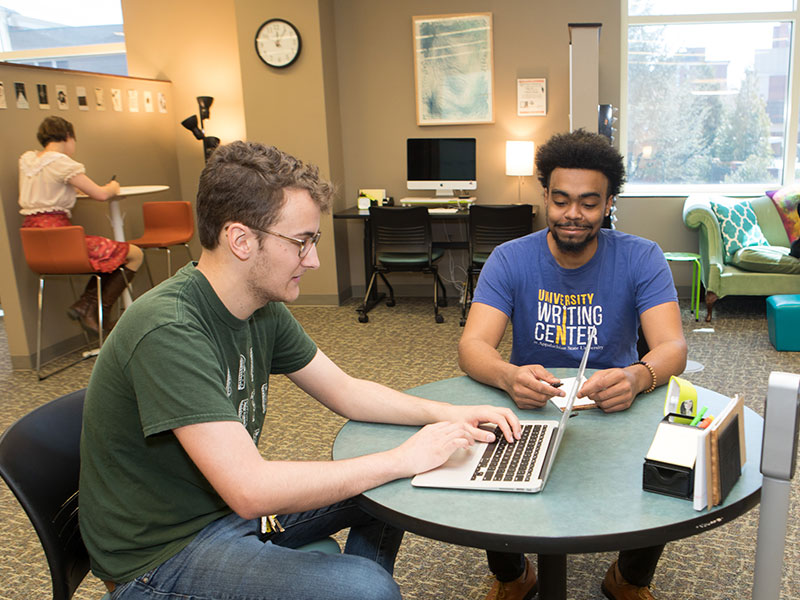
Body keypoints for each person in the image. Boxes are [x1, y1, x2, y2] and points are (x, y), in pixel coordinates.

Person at [79, 141, 522, 600]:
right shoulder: (168, 329)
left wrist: (449, 414)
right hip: (161, 557)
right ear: (241, 239)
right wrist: (403, 457)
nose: (312, 260)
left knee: (388, 494)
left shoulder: (259, 307)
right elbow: (251, 489)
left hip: (224, 512)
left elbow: (347, 392)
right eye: (301, 242)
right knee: (368, 587)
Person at [458, 129, 687, 600]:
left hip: (615, 401)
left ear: (608, 203)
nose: (573, 215)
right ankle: (513, 575)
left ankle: (628, 579)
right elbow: (473, 345)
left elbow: (672, 348)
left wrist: (637, 375)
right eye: (561, 200)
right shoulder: (509, 259)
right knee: (479, 453)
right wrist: (506, 375)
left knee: (672, 464)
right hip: (530, 401)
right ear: (545, 196)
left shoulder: (641, 256)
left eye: (588, 202)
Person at [18, 116, 143, 333]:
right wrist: (113, 186)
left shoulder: (28, 161)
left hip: (37, 244)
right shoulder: (61, 162)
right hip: (62, 240)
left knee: (108, 256)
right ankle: (94, 310)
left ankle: (85, 306)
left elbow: (49, 191)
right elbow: (101, 195)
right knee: (134, 254)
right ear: (68, 137)